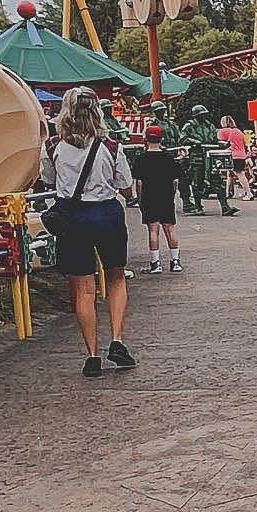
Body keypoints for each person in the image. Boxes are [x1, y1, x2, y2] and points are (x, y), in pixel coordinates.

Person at [40, 86, 137, 377]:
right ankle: (117, 340)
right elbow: (124, 185)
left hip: (72, 217)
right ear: (97, 111)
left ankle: (92, 356)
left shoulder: (53, 146)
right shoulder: (110, 146)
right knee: (116, 276)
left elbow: (47, 179)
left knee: (84, 288)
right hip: (106, 213)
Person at [132, 124, 185, 274]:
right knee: (169, 228)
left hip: (150, 197)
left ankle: (155, 264)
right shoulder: (169, 158)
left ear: (146, 139)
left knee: (153, 229)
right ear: (162, 139)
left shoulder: (141, 159)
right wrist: (172, 194)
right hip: (166, 196)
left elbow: (139, 182)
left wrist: (140, 199)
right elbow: (175, 181)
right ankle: (175, 261)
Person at [218, 115, 251, 201]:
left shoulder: (223, 131)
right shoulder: (239, 131)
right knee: (231, 174)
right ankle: (227, 193)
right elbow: (245, 143)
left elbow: (220, 143)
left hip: (233, 155)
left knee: (240, 174)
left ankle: (248, 193)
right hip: (242, 155)